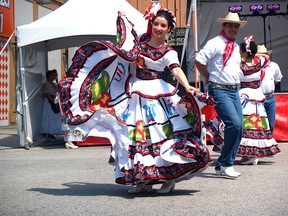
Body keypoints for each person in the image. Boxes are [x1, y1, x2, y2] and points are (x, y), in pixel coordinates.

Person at [59, 4, 212, 194]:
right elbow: (126, 41)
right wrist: (122, 19)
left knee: (161, 135)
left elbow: (175, 68)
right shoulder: (141, 41)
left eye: (163, 26)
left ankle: (168, 179)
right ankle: (143, 179)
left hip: (156, 95)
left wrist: (187, 85)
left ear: (169, 29)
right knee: (136, 137)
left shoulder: (168, 51)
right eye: (156, 23)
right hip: (135, 92)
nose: (158, 28)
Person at [195, 12, 246, 178]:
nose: (233, 28)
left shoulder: (235, 46)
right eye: (230, 25)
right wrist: (207, 77)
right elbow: (199, 60)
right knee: (235, 125)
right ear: (223, 26)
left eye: (236, 26)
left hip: (233, 89)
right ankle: (226, 163)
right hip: (219, 89)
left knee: (239, 127)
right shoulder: (216, 42)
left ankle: (223, 163)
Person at [237, 36, 281, 165]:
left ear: (244, 53)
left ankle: (250, 154)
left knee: (247, 125)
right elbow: (262, 58)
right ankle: (252, 154)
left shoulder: (241, 67)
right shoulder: (259, 63)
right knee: (257, 126)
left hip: (245, 97)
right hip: (257, 97)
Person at [256, 44, 283, 134]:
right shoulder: (254, 66)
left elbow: (277, 80)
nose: (263, 57)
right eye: (260, 55)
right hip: (258, 98)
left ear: (268, 55)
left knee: (271, 124)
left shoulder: (274, 66)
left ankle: (268, 142)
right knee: (259, 124)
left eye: (264, 54)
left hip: (270, 97)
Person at [41, 69, 63, 141]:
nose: (54, 77)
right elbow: (47, 94)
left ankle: (53, 132)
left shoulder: (55, 84)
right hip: (49, 101)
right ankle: (49, 133)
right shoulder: (46, 84)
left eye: (55, 75)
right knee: (49, 117)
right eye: (52, 75)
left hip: (54, 100)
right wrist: (53, 101)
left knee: (54, 116)